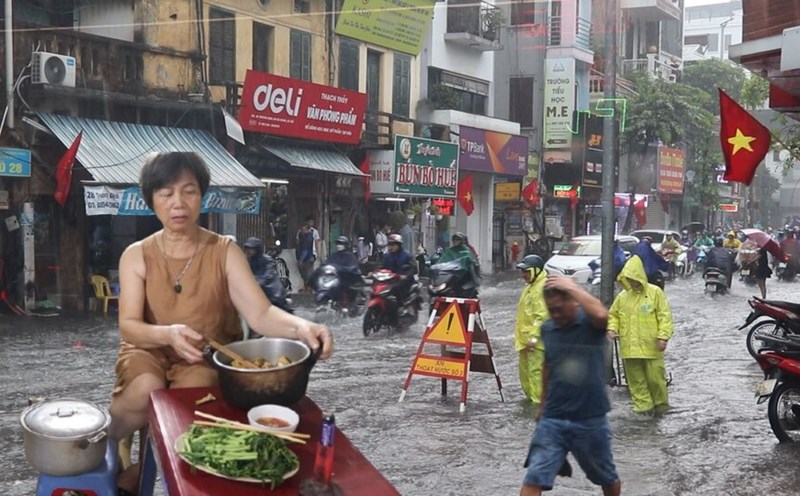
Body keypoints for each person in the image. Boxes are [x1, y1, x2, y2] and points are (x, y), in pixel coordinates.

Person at [109, 152, 333, 494]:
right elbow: (129, 326)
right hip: (149, 347)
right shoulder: (136, 255)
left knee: (190, 402)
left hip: (204, 355)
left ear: (202, 196)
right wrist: (167, 334)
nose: (178, 203)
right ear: (151, 199)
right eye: (166, 193)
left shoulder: (224, 251)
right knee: (145, 390)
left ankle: (155, 469)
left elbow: (261, 313)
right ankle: (105, 449)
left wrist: (302, 327)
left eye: (189, 191)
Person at [520, 276, 621, 496]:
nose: (555, 315)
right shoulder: (548, 329)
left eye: (559, 309)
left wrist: (572, 287)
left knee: (606, 477)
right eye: (551, 310)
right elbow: (548, 365)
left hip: (589, 417)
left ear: (572, 300)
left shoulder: (590, 324)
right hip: (553, 417)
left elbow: (603, 315)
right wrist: (542, 406)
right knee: (534, 477)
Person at [607, 256, 674, 415]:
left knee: (656, 380)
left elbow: (665, 316)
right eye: (627, 278)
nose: (630, 281)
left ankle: (661, 408)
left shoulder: (655, 292)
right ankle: (643, 410)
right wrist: (611, 328)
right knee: (636, 382)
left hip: (651, 346)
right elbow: (613, 315)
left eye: (632, 277)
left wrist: (663, 337)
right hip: (629, 348)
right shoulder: (623, 296)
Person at [514, 255, 549, 404]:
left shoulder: (541, 288)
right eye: (522, 271)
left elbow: (543, 317)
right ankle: (531, 402)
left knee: (536, 374)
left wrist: (534, 337)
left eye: (526, 271)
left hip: (537, 343)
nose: (524, 275)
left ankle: (538, 406)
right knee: (526, 375)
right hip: (525, 342)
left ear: (536, 270)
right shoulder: (530, 287)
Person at [243, 237, 292, 313]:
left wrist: (259, 281)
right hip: (255, 289)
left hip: (270, 289)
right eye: (247, 249)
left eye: (251, 249)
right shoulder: (247, 260)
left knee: (277, 301)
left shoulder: (267, 260)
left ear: (257, 249)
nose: (248, 251)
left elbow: (268, 274)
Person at [318, 235, 362, 310]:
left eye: (341, 244)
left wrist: (341, 269)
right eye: (338, 243)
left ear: (346, 245)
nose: (339, 246)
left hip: (346, 280)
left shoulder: (350, 257)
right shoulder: (334, 256)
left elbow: (353, 268)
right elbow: (327, 263)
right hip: (334, 278)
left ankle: (346, 305)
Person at [296, 216, 320, 292]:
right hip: (302, 255)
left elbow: (317, 242)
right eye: (309, 222)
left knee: (309, 271)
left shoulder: (313, 233)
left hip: (310, 254)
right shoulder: (300, 232)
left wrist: (318, 253)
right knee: (305, 272)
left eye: (312, 222)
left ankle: (310, 287)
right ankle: (307, 286)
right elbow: (297, 243)